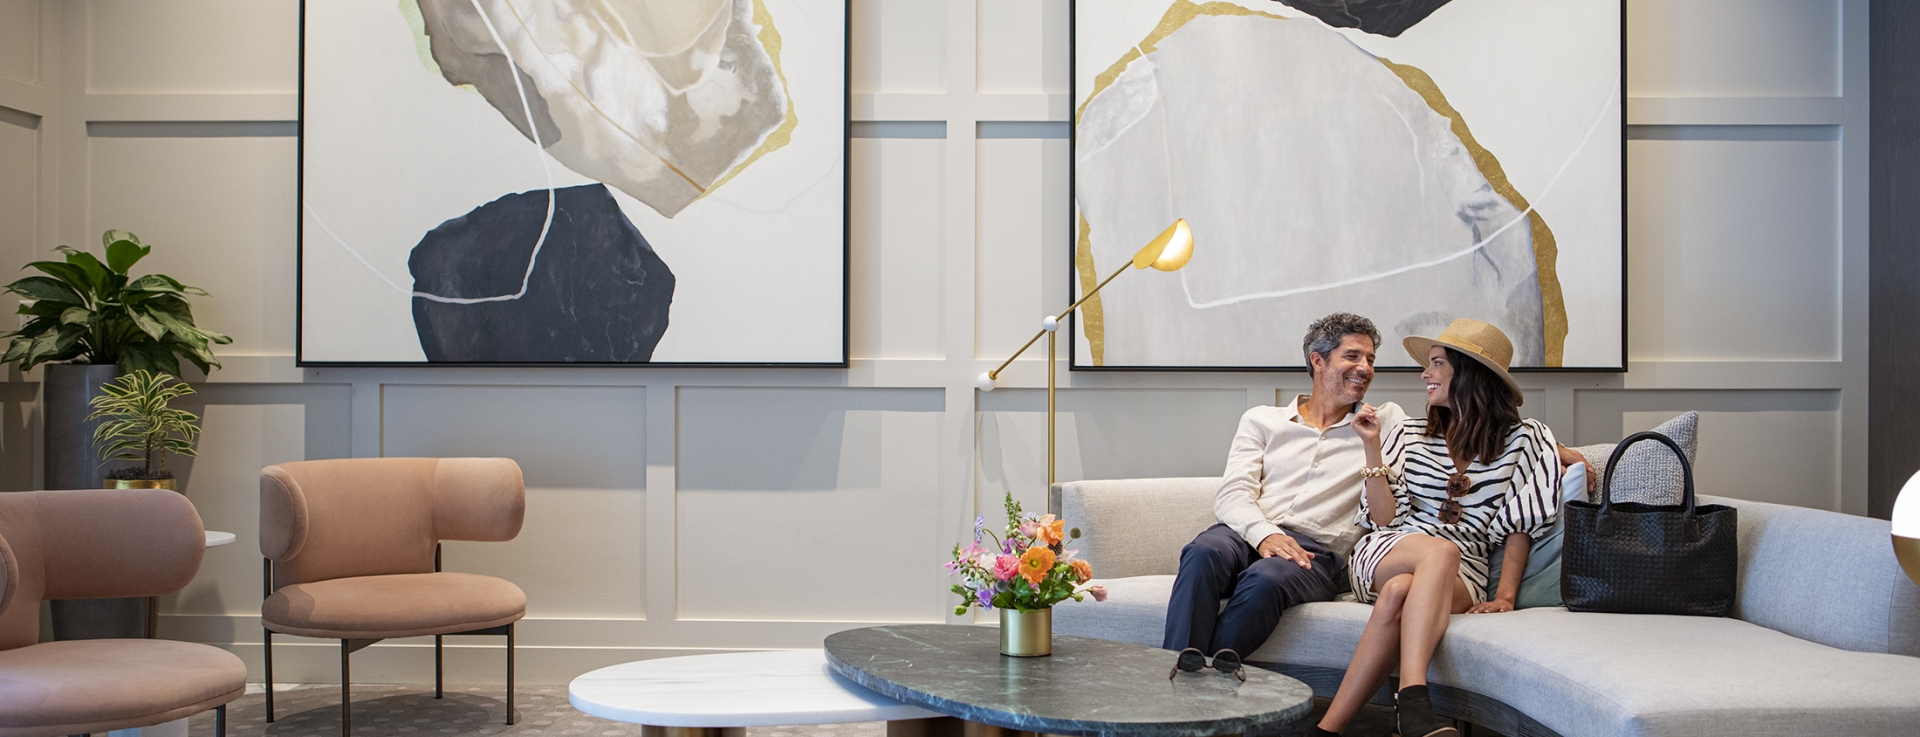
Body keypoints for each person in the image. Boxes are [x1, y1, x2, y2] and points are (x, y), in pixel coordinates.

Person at [1311, 318, 1561, 737]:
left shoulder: (1527, 439)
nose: (1425, 374)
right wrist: (1371, 447)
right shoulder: (1406, 432)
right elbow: (1384, 519)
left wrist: (1505, 596)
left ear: (1469, 373)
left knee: (1400, 593)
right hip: (1391, 548)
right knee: (1438, 552)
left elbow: (1521, 522)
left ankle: (1326, 729)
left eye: (1437, 363)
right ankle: (1413, 702)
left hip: (1467, 573)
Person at [1163, 313, 1409, 663]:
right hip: (1246, 533)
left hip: (1316, 554)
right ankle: (1173, 673)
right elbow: (1234, 494)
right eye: (1353, 356)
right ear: (1318, 361)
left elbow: (1393, 502)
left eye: (1370, 359)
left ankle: (1196, 682)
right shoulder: (1262, 420)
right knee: (1203, 552)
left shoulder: (1384, 422)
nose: (1365, 367)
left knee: (1267, 578)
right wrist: (1264, 535)